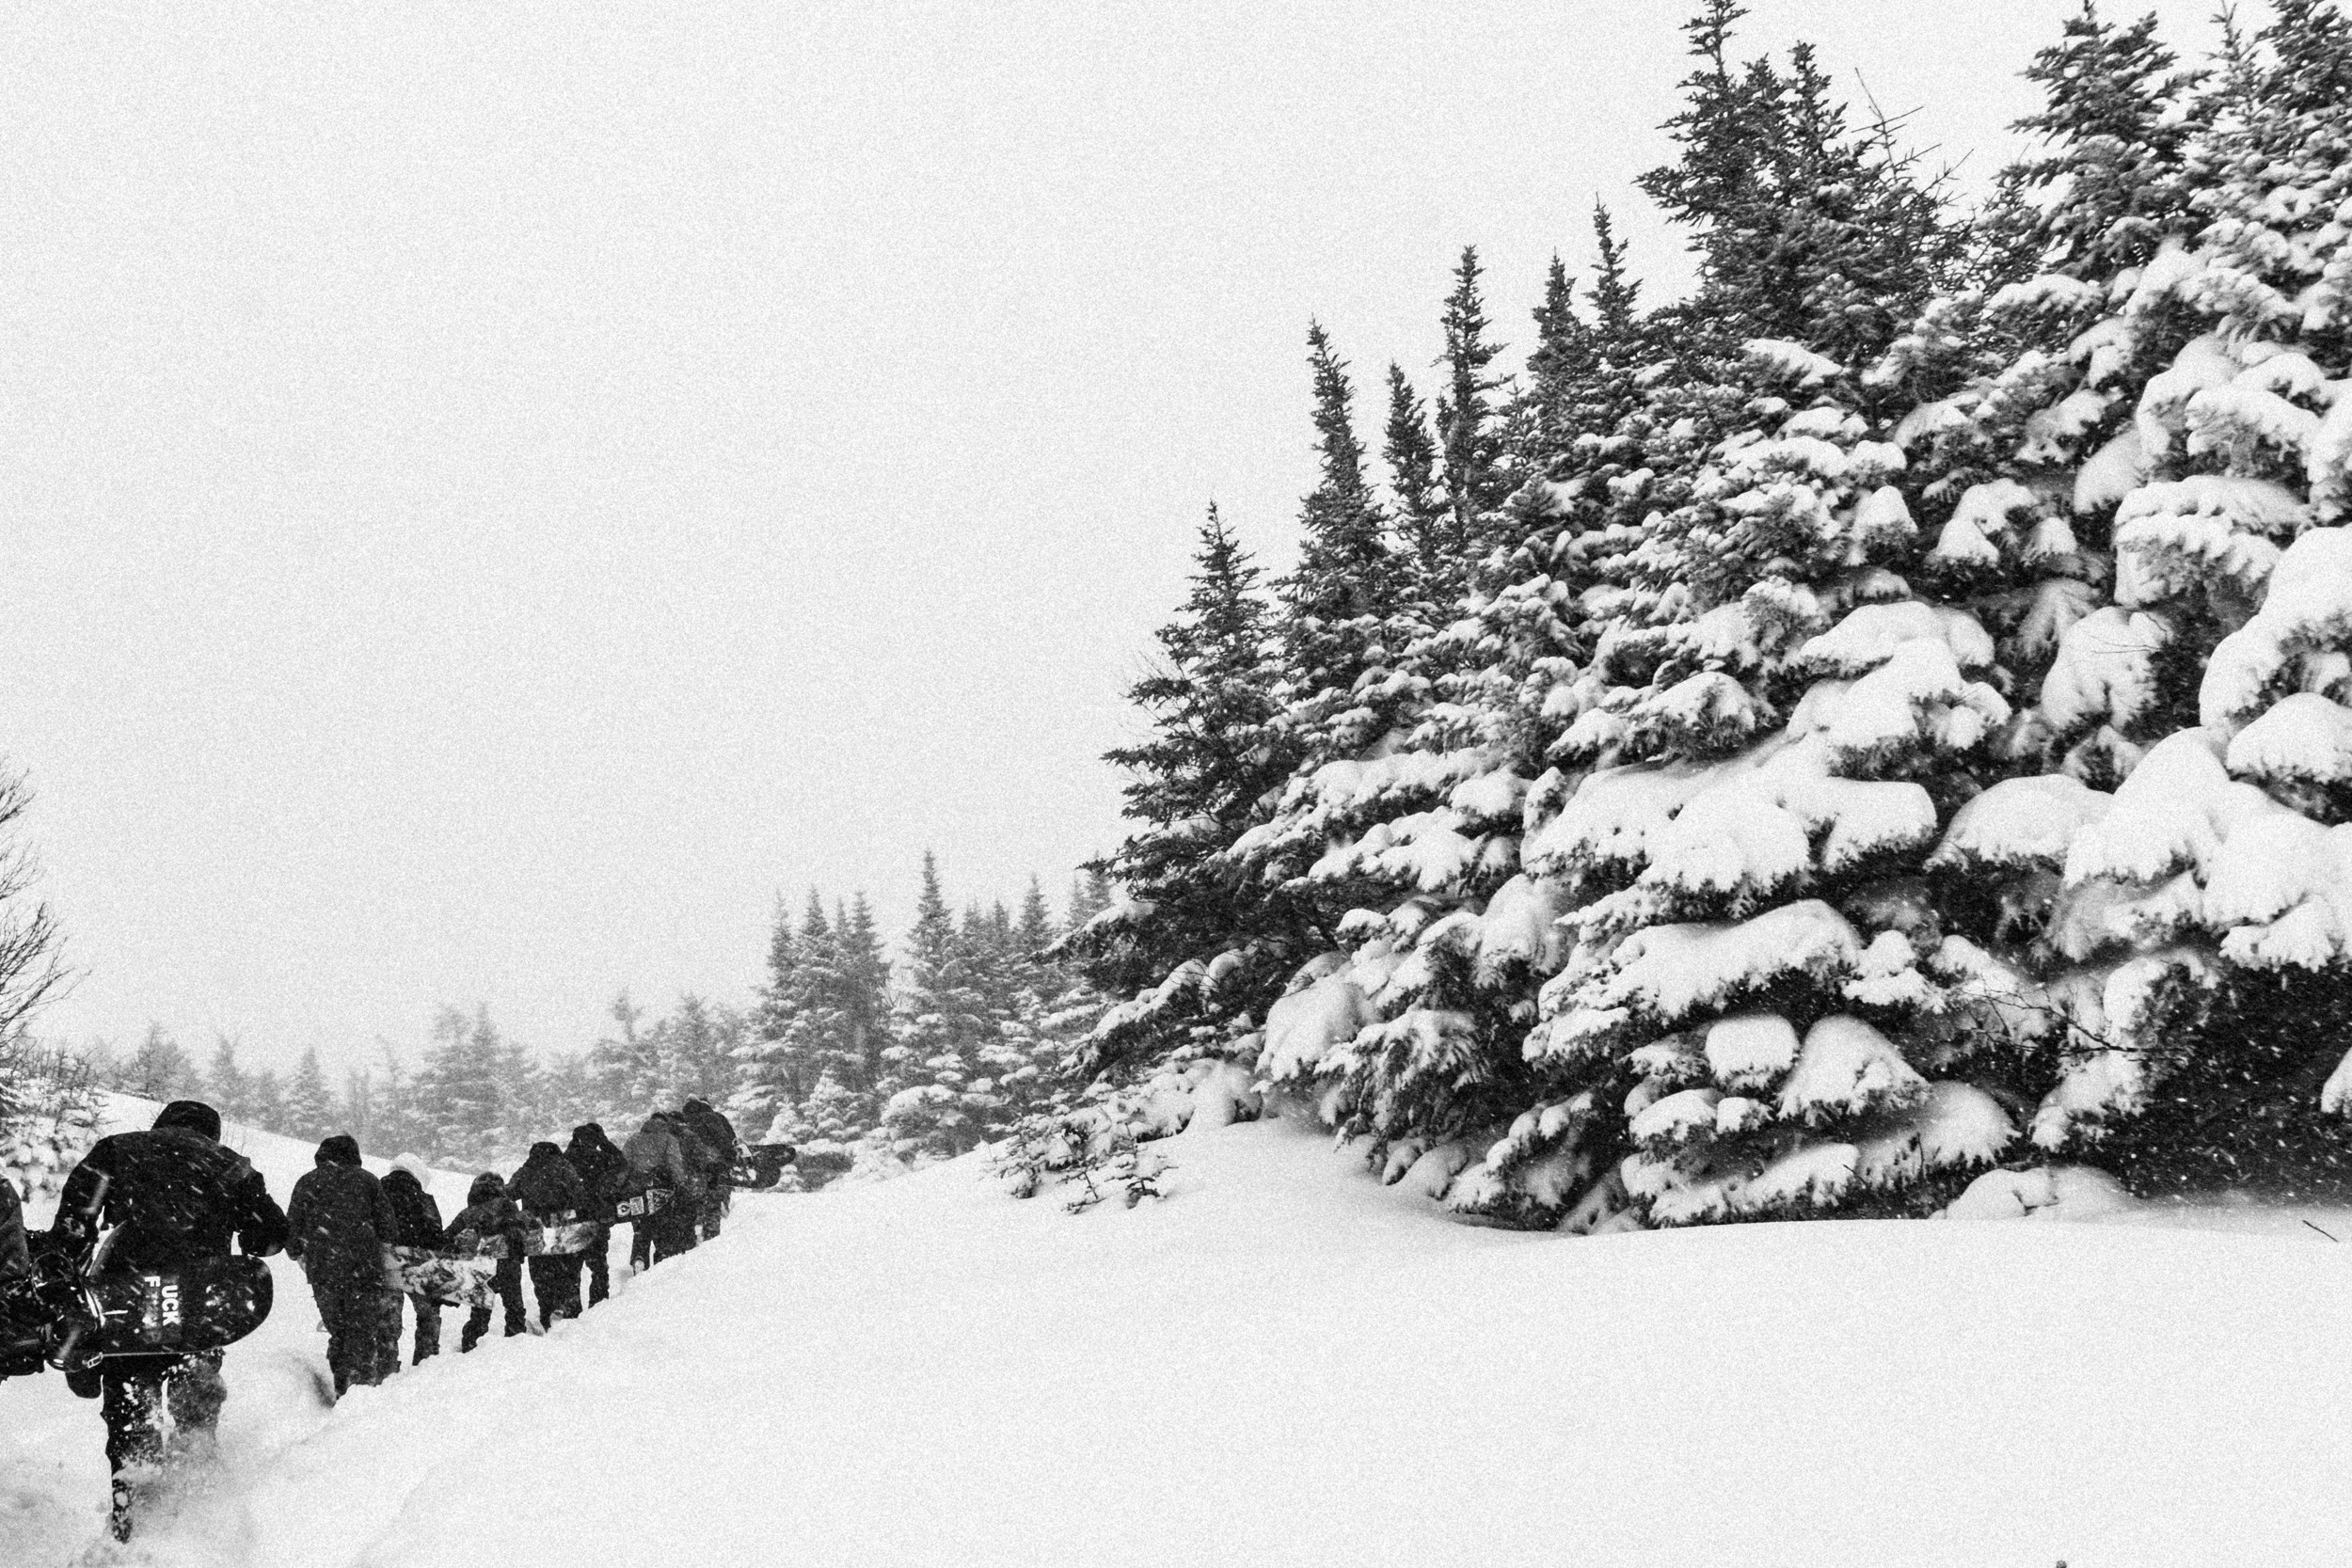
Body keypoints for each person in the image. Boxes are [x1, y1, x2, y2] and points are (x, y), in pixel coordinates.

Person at [47, 1100, 287, 1542]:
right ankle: (195, 1502)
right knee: (195, 1395)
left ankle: (129, 1509)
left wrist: (71, 1287)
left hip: (127, 1297)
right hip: (199, 1301)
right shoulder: (232, 1167)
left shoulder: (119, 1149)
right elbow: (270, 1235)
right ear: (210, 1132)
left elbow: (74, 1226)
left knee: (129, 1404)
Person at [284, 1133, 398, 1400]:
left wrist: (298, 1254)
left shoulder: (307, 1183)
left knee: (339, 1331)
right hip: (364, 1272)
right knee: (362, 1333)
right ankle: (360, 1392)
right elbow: (389, 1229)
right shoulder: (368, 1181)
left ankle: (340, 1387)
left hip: (324, 1273)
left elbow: (291, 1230)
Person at [506, 1140, 585, 1329]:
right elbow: (579, 1194)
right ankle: (571, 1310)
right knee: (569, 1271)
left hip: (536, 1229)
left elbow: (509, 1193)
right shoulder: (564, 1166)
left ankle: (546, 1311)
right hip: (564, 1227)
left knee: (541, 1273)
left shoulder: (526, 1170)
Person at [444, 1171, 526, 1350]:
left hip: (481, 1268)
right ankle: (516, 1344)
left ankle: (471, 1344)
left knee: (480, 1311)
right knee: (514, 1308)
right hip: (507, 1265)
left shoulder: (467, 1213)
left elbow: (447, 1236)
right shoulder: (508, 1205)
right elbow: (521, 1232)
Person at [378, 1154, 444, 1368]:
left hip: (384, 1263)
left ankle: (385, 1369)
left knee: (387, 1323)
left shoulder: (375, 1193)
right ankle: (425, 1364)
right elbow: (436, 1235)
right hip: (418, 1263)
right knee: (428, 1316)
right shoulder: (423, 1199)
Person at [563, 1122, 628, 1307]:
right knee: (598, 1266)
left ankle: (572, 1308)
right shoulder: (601, 1158)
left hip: (571, 1220)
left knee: (572, 1269)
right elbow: (622, 1162)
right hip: (596, 1216)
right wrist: (605, 1142)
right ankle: (598, 1304)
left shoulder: (564, 1160)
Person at [621, 1114, 693, 1270]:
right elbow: (674, 1163)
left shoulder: (633, 1139)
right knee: (663, 1229)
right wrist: (681, 1182)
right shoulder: (669, 1139)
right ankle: (662, 1261)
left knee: (641, 1228)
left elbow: (623, 1166)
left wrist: (619, 1187)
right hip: (662, 1192)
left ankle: (639, 1258)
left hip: (636, 1191)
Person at [679, 1099, 740, 1242]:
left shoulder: (683, 1123)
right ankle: (711, 1238)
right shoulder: (713, 1118)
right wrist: (730, 1157)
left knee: (692, 1201)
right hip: (713, 1165)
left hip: (690, 1169)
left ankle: (691, 1233)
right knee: (712, 1201)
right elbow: (725, 1139)